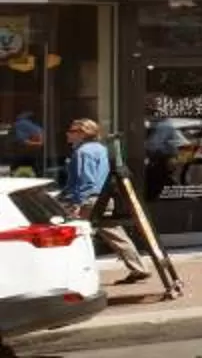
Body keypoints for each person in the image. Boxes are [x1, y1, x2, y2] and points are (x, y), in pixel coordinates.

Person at [59, 119, 153, 286]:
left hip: (89, 200)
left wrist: (76, 203)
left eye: (72, 131)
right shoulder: (101, 149)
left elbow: (86, 181)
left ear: (83, 133)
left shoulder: (83, 152)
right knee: (115, 234)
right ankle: (139, 268)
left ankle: (69, 275)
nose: (68, 133)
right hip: (102, 198)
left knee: (69, 234)